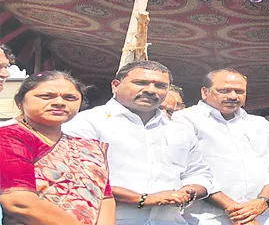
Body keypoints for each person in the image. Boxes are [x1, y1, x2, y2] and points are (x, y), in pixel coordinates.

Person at [63, 61, 213, 225]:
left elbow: (200, 174)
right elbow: (79, 177)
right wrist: (142, 199)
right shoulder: (87, 123)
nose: (150, 90)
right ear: (115, 85)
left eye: (160, 86)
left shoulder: (180, 130)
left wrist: (188, 191)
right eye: (140, 83)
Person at [173, 69, 269, 225]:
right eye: (224, 90)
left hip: (261, 216)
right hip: (207, 218)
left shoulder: (259, 124)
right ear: (205, 92)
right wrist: (239, 214)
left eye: (239, 91)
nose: (233, 96)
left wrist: (263, 201)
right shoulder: (185, 120)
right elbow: (189, 171)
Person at [0, 71, 115, 225]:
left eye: (70, 98)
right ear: (20, 102)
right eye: (46, 96)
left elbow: (105, 197)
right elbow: (19, 203)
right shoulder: (10, 137)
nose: (59, 102)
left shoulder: (91, 146)